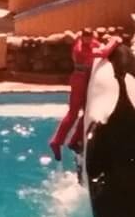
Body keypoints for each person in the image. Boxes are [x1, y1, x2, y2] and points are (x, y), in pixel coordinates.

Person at [49, 29, 119, 161]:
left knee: (87, 110)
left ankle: (75, 140)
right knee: (73, 113)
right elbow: (103, 53)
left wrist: (108, 40)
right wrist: (114, 41)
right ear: (82, 37)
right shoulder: (80, 49)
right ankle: (56, 141)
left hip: (87, 79)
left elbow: (100, 46)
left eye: (90, 37)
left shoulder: (91, 42)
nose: (89, 39)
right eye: (86, 37)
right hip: (79, 80)